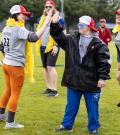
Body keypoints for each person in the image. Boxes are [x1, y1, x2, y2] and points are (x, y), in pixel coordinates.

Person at [50, 11, 111, 134]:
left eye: (82, 25)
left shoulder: (99, 44)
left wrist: (102, 78)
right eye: (79, 25)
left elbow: (103, 62)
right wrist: (55, 24)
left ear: (89, 27)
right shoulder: (72, 39)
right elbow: (58, 37)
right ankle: (67, 126)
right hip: (74, 80)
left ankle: (94, 128)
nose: (79, 27)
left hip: (91, 82)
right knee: (71, 106)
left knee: (92, 108)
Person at [0, 5, 53, 129]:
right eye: (22, 14)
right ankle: (10, 123)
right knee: (15, 94)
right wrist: (46, 23)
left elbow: (1, 46)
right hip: (15, 66)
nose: (24, 16)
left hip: (7, 64)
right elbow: (34, 37)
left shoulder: (7, 27)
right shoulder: (17, 28)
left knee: (8, 90)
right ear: (15, 15)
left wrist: (7, 57)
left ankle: (1, 115)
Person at [36, 0, 65, 97]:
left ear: (53, 8)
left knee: (50, 67)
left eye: (50, 6)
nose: (48, 8)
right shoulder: (42, 18)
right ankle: (49, 88)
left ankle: (54, 90)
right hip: (42, 46)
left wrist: (56, 46)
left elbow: (61, 34)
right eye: (46, 6)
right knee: (45, 68)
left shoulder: (58, 19)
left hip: (53, 46)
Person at [112, 8, 120, 107]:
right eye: (117, 15)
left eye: (119, 15)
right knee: (118, 77)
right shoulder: (117, 28)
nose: (117, 16)